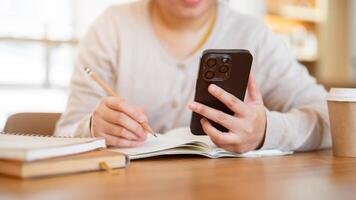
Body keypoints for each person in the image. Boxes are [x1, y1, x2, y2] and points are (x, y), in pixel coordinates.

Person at [54, 0, 331, 153]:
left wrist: (266, 130)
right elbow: (63, 134)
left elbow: (331, 119)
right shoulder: (111, 28)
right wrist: (92, 127)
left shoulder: (254, 36)